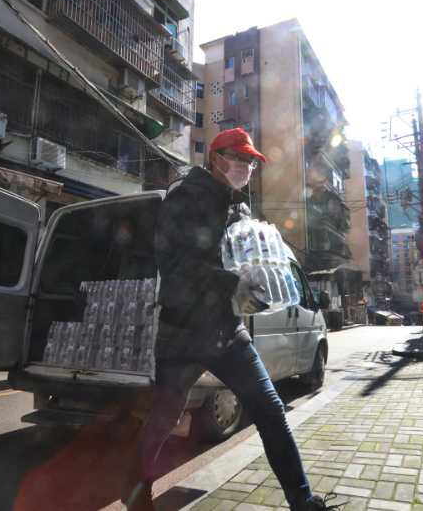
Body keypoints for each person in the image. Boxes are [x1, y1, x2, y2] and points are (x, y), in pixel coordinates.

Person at [122, 128, 344, 511]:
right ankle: (136, 490)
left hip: (225, 329)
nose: (246, 167)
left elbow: (238, 260)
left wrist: (257, 281)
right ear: (216, 158)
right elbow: (175, 265)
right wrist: (233, 283)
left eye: (251, 162)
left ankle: (302, 501)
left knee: (269, 409)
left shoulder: (236, 208)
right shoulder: (185, 196)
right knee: (165, 416)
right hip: (182, 329)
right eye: (239, 158)